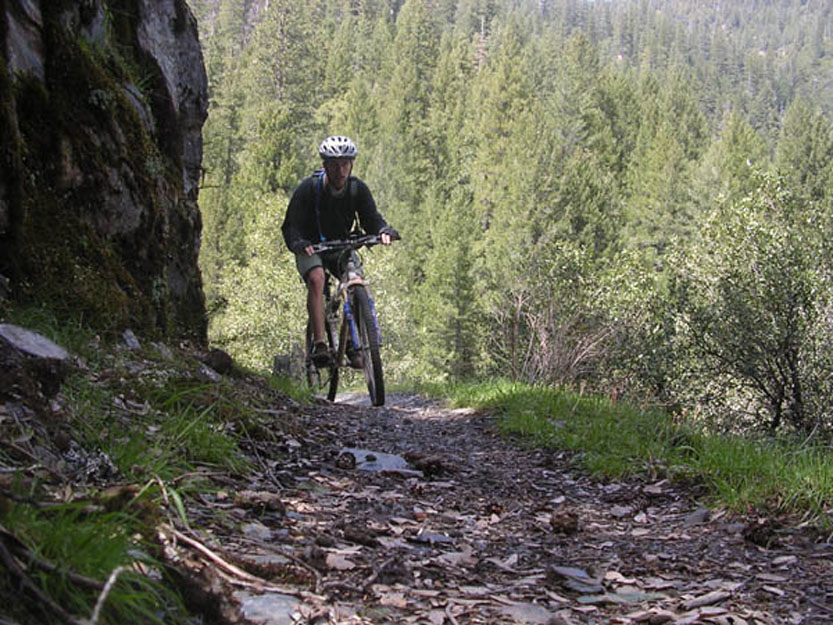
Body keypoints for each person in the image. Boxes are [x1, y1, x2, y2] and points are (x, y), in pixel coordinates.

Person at [282, 135, 397, 366]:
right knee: (317, 278)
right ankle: (320, 344)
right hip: (311, 248)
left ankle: (355, 344)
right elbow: (290, 225)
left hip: (342, 247)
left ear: (351, 165)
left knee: (356, 280)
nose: (340, 170)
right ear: (324, 166)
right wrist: (298, 243)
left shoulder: (357, 189)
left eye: (345, 164)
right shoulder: (308, 189)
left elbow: (371, 218)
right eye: (334, 164)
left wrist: (383, 230)